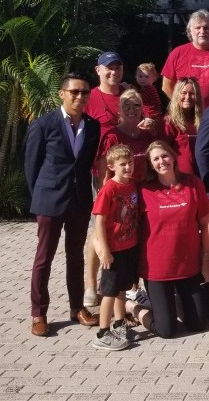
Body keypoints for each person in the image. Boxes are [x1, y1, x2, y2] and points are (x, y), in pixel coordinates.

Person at [25, 73, 101, 337]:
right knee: (43, 257)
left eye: (84, 92)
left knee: (75, 256)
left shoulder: (93, 126)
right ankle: (39, 313)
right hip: (49, 200)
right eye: (74, 92)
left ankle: (77, 308)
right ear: (62, 94)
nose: (80, 97)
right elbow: (31, 167)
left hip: (79, 201)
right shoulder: (43, 124)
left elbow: (87, 163)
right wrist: (39, 199)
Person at [126, 141, 209, 339]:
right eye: (155, 159)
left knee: (199, 323)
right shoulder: (144, 190)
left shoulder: (193, 184)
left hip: (188, 266)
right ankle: (132, 305)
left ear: (173, 157)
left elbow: (206, 224)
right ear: (150, 164)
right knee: (166, 330)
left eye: (164, 156)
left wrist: (206, 259)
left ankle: (170, 303)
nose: (161, 161)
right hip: (157, 269)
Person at [83, 51, 129, 306]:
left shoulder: (129, 94)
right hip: (101, 175)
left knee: (122, 230)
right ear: (98, 70)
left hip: (128, 174)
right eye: (108, 68)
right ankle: (91, 284)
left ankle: (122, 285)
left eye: (118, 67)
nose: (114, 72)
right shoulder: (91, 98)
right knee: (98, 230)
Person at [90, 145, 139, 351]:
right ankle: (103, 332)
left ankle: (119, 323)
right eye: (122, 165)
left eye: (130, 163)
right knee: (109, 292)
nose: (128, 167)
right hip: (114, 249)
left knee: (122, 289)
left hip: (129, 245)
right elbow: (99, 222)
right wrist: (105, 250)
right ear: (111, 167)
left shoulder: (133, 185)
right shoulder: (109, 189)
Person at [161, 9, 209, 108]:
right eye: (198, 28)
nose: (202, 31)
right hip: (186, 115)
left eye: (206, 27)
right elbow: (166, 86)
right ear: (190, 31)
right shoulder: (177, 53)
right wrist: (181, 106)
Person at [96, 89, 155, 184]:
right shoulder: (112, 137)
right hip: (122, 192)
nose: (131, 110)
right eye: (126, 106)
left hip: (146, 190)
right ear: (119, 110)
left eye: (136, 106)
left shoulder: (148, 136)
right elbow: (104, 174)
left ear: (142, 109)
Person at [162, 77, 203, 177]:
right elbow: (163, 152)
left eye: (192, 94)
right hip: (179, 177)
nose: (187, 97)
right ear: (177, 95)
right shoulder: (169, 122)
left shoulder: (203, 121)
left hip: (201, 177)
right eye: (183, 93)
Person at [135, 62, 162, 132]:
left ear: (154, 79)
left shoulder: (149, 89)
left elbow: (138, 99)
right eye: (140, 76)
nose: (143, 79)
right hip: (150, 114)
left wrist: (129, 90)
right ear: (136, 77)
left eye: (146, 77)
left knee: (144, 130)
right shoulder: (146, 89)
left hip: (151, 116)